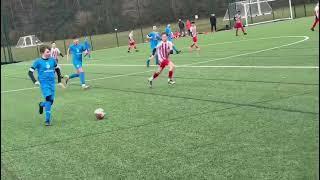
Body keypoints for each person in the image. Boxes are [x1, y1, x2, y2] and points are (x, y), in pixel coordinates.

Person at [28, 45, 64, 126]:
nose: (49, 53)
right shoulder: (38, 61)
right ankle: (47, 121)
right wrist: (35, 81)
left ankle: (41, 104)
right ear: (42, 53)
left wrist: (59, 81)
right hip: (44, 84)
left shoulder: (53, 60)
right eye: (47, 52)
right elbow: (30, 72)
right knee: (48, 99)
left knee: (50, 102)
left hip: (52, 83)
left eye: (49, 51)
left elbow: (57, 70)